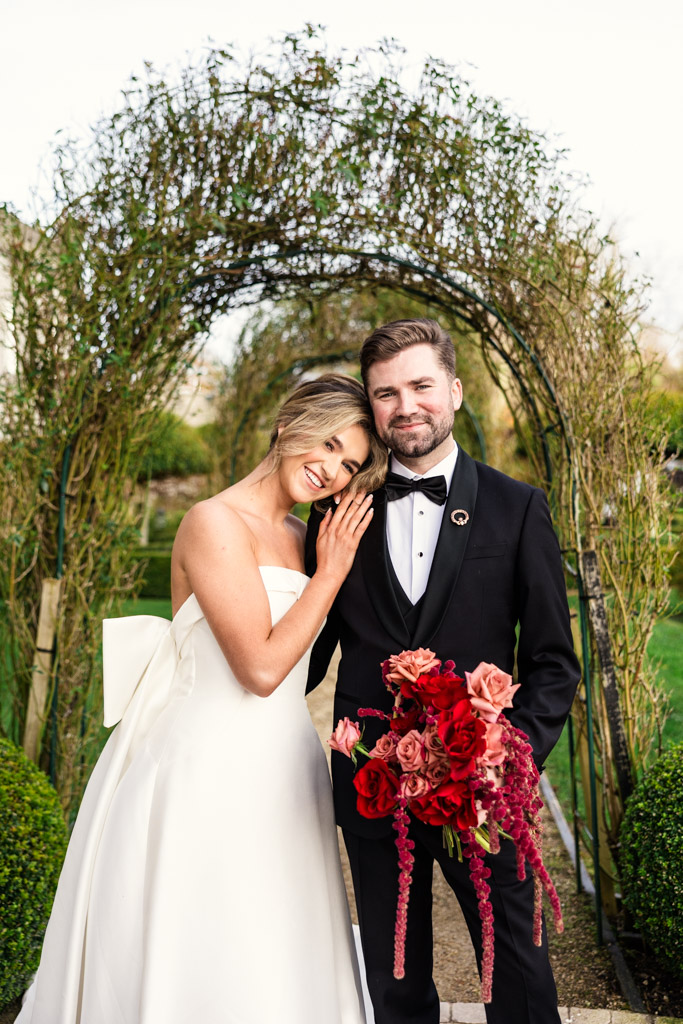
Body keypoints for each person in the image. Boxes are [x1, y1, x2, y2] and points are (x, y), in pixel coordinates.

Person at [16, 373, 387, 1024]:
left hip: (283, 765)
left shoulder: (305, 537)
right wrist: (329, 576)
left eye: (349, 463)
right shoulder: (212, 521)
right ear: (287, 424)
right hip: (203, 765)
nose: (331, 468)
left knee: (272, 936)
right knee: (200, 933)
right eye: (326, 443)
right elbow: (261, 668)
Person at [305, 320, 582, 1024]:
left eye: (421, 385)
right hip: (372, 783)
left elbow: (552, 661)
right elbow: (303, 652)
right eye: (386, 393)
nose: (406, 406)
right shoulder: (336, 513)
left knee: (515, 967)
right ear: (371, 408)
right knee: (392, 977)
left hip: (480, 787)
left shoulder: (516, 507)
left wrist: (505, 758)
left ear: (453, 391)